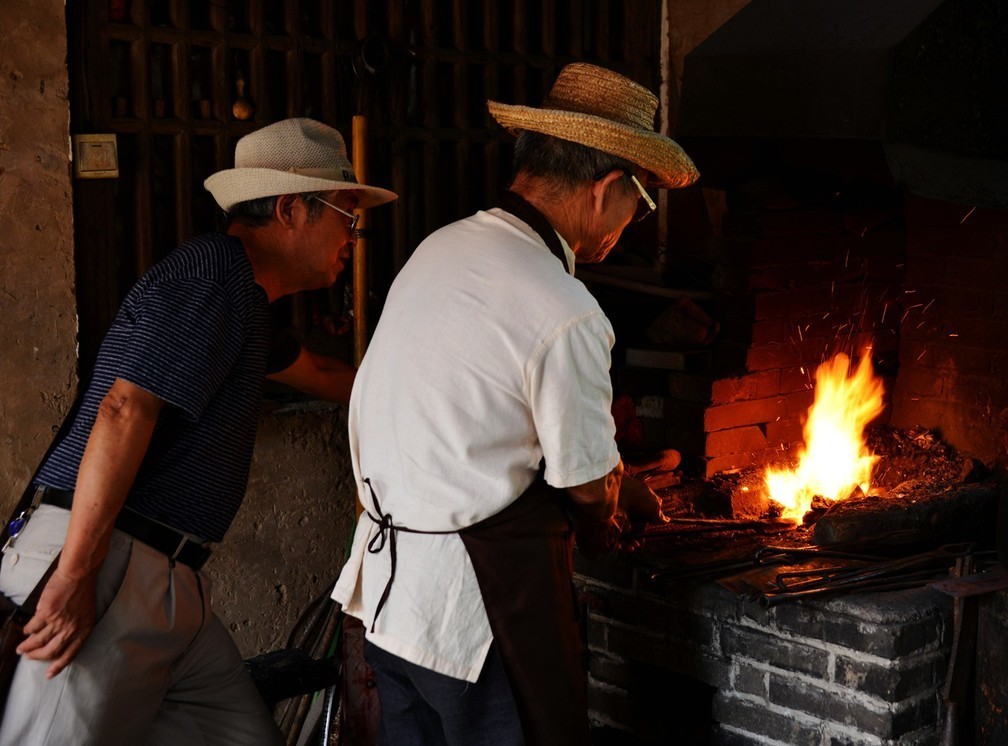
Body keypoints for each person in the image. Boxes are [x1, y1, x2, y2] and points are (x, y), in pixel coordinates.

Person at [332, 63, 699, 745]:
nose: (634, 222)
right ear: (607, 189)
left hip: (388, 603)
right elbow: (587, 485)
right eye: (641, 203)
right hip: (477, 619)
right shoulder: (564, 309)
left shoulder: (438, 249)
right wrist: (612, 512)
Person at [0, 117, 397, 745]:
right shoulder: (213, 273)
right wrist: (75, 576)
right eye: (344, 217)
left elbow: (325, 373)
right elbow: (123, 411)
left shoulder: (248, 304)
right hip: (106, 558)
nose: (354, 236)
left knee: (239, 735)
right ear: (292, 209)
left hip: (169, 578)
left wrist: (436, 390)